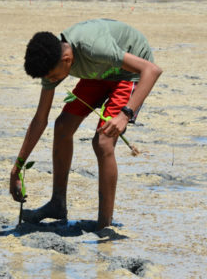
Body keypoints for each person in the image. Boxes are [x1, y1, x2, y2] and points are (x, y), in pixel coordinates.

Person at [9, 18, 162, 230]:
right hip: (102, 71)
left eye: (53, 77)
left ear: (67, 59)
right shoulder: (53, 60)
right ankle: (57, 205)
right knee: (62, 126)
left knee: (103, 141)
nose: (51, 81)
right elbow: (40, 120)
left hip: (131, 72)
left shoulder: (94, 47)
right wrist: (16, 169)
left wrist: (126, 114)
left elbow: (152, 70)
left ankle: (104, 224)